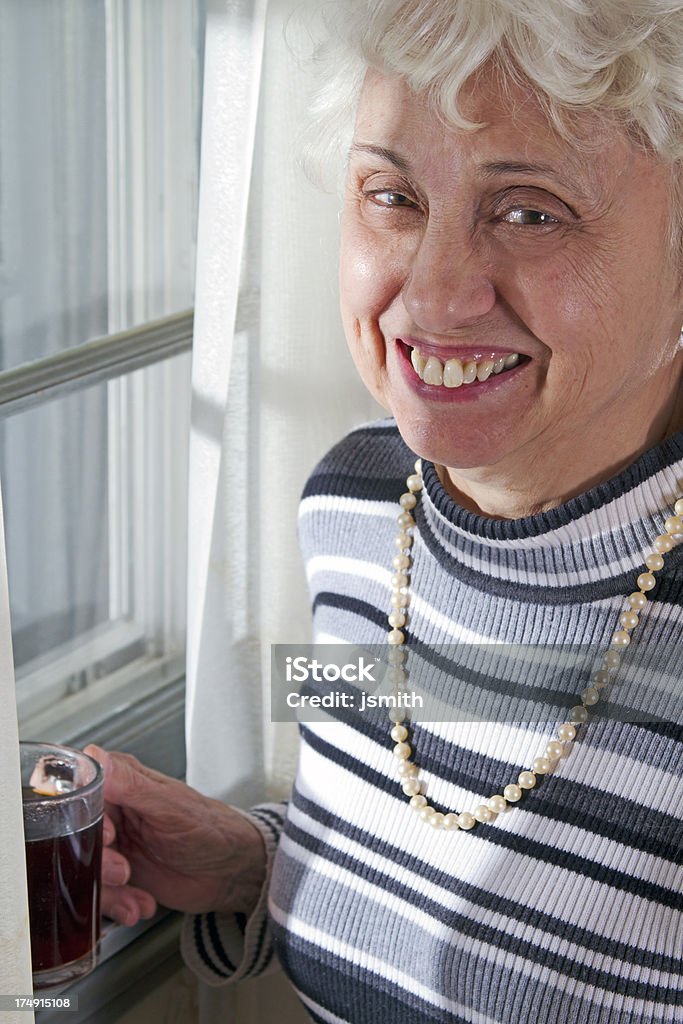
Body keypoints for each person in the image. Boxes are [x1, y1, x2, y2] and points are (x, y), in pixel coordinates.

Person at [86, 1, 683, 1020]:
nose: (431, 295)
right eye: (391, 195)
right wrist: (253, 860)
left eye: (529, 210)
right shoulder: (358, 504)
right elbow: (435, 779)